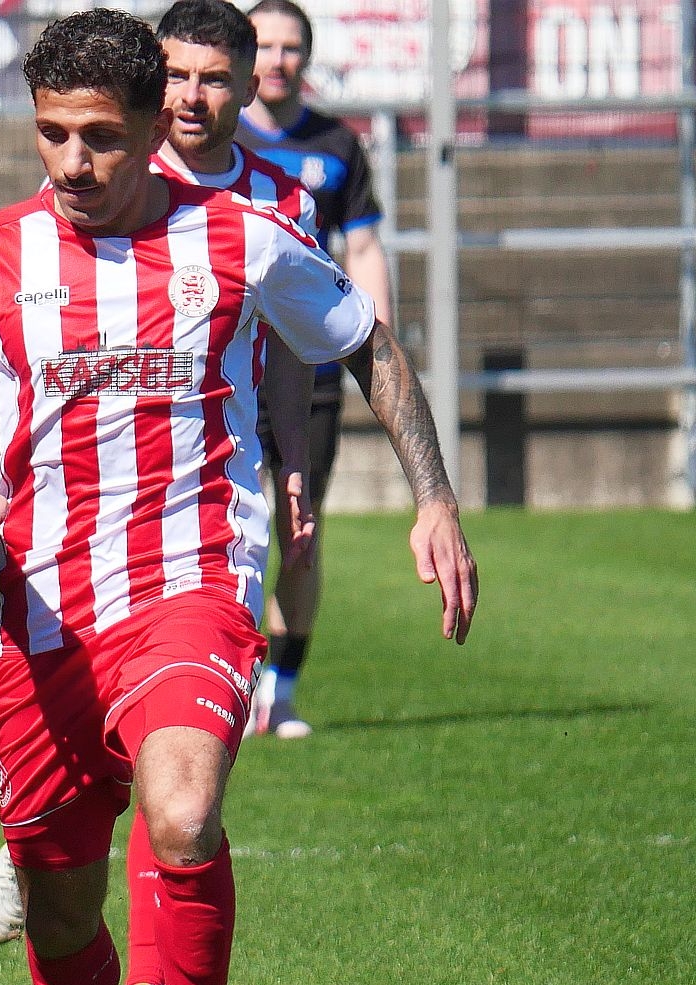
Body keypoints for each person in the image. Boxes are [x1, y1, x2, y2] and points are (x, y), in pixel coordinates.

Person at [0, 7, 476, 985]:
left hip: (191, 581)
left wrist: (433, 496)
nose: (72, 162)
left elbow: (368, 343)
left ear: (155, 125)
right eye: (51, 134)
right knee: (58, 911)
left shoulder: (240, 236)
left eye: (100, 138)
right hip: (44, 613)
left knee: (185, 806)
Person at [0, 0, 325, 985]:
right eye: (175, 75)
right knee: (105, 819)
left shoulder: (272, 205)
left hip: (212, 509)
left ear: (249, 83)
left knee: (183, 789)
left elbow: (313, 334)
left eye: (213, 77)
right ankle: (49, 846)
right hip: (66, 556)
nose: (191, 96)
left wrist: (296, 452)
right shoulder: (61, 214)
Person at [239, 0, 396, 737]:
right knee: (228, 531)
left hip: (312, 374)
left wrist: (379, 354)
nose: (277, 60)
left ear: (307, 55)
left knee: (300, 528)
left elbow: (361, 249)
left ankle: (283, 688)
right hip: (230, 369)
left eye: (290, 47)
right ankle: (226, 682)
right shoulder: (213, 136)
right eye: (264, 46)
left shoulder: (336, 144)